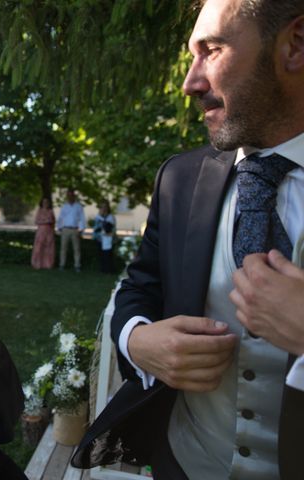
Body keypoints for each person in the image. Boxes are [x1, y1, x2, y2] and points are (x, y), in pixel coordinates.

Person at [72, 2, 304, 479]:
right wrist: (138, 340)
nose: (190, 82)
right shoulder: (180, 179)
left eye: (212, 50)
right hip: (183, 462)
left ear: (295, 46)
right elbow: (142, 284)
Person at [56, 188, 85, 272]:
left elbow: (82, 218)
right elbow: (61, 218)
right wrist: (59, 228)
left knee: (76, 249)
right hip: (65, 229)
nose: (70, 197)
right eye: (68, 195)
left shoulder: (78, 206)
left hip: (75, 229)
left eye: (71, 195)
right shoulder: (64, 206)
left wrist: (82, 229)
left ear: (74, 196)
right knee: (63, 248)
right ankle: (62, 265)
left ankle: (77, 266)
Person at [31, 197, 56, 269]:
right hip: (41, 231)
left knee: (48, 247)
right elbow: (36, 221)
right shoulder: (39, 211)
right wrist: (46, 221)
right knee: (39, 247)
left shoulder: (51, 211)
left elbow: (53, 221)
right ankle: (37, 264)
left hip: (49, 231)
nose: (46, 204)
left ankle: (48, 264)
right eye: (44, 202)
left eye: (47, 202)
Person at [92, 201, 115, 273]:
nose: (104, 208)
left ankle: (109, 270)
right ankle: (102, 269)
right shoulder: (98, 217)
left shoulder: (111, 217)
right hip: (100, 239)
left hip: (108, 239)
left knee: (108, 255)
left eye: (105, 207)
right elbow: (95, 228)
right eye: (102, 207)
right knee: (101, 255)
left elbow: (113, 228)